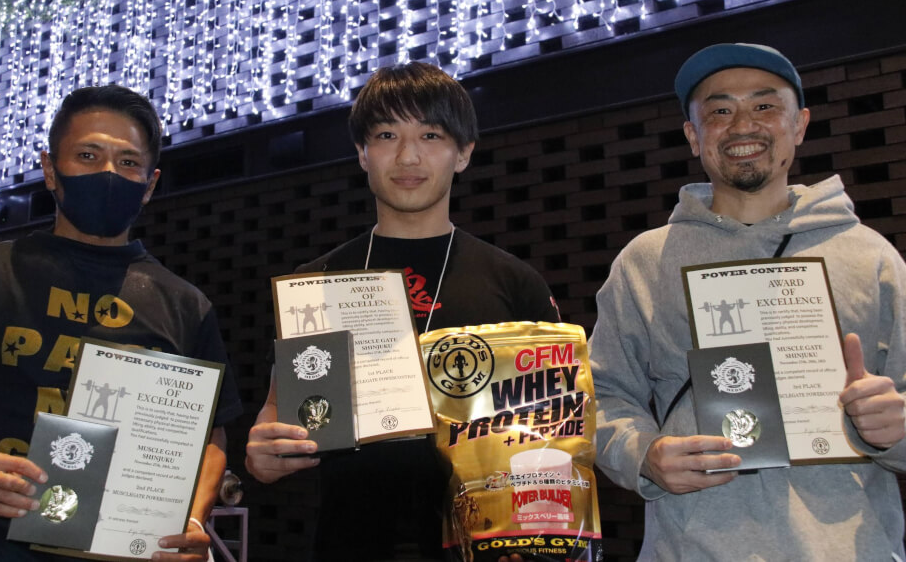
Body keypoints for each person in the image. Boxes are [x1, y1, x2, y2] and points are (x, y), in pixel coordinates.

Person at [0, 85, 243, 561]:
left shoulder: (185, 305)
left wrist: (191, 520)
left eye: (128, 162)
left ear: (150, 184)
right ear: (50, 169)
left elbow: (210, 438)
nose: (108, 173)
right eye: (87, 155)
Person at [589, 43, 906, 559]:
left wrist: (897, 429)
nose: (742, 126)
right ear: (694, 136)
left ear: (799, 124)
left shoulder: (869, 256)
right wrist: (644, 455)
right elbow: (600, 393)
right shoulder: (646, 262)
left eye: (764, 106)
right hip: (692, 548)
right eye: (719, 111)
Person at [245, 62, 560, 560]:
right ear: (362, 153)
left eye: (431, 135)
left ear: (463, 153)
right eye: (387, 135)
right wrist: (265, 453)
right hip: (348, 545)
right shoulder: (316, 283)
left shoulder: (515, 283)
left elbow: (554, 431)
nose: (408, 156)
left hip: (485, 546)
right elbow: (278, 411)